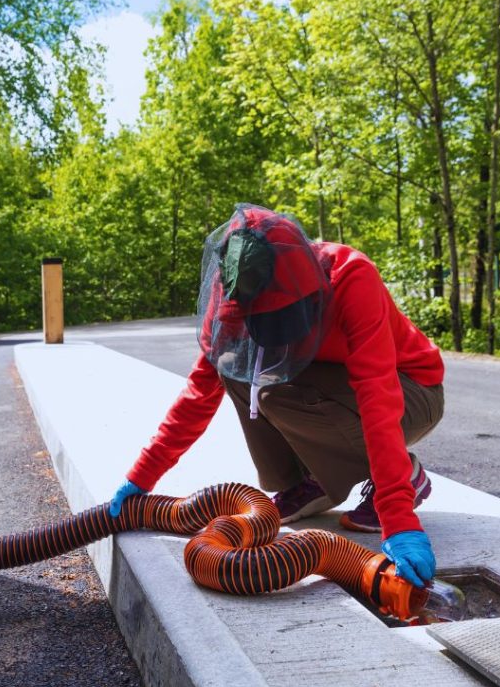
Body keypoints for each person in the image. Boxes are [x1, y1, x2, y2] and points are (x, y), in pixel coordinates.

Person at [109, 203, 445, 588]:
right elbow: (200, 392)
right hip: (339, 386)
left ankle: (408, 475)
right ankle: (312, 481)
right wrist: (142, 476)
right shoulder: (231, 291)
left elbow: (378, 397)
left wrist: (398, 516)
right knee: (234, 366)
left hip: (412, 390)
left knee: (275, 393)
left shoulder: (351, 276)